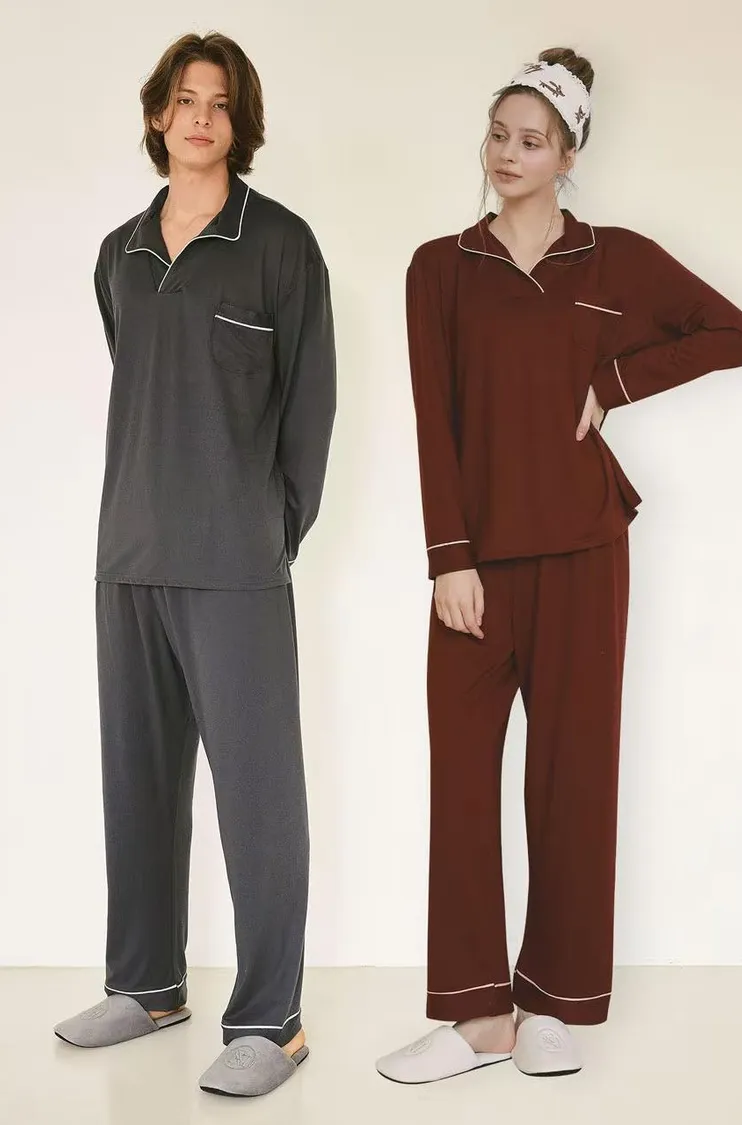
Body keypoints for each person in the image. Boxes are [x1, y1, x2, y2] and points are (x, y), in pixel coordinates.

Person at [376, 46, 742, 1083]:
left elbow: (732, 330)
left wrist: (615, 381)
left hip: (587, 550)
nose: (508, 154)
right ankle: (475, 1017)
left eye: (532, 140)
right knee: (463, 782)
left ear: (569, 154)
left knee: (573, 780)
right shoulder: (439, 268)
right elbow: (436, 421)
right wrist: (449, 559)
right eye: (498, 135)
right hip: (477, 569)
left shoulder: (612, 261)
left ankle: (555, 1003)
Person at [53, 31, 336, 1099]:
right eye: (184, 99)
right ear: (159, 115)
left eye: (219, 102)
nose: (200, 117)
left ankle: (273, 1020)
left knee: (259, 795)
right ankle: (146, 984)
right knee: (137, 780)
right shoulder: (119, 253)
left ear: (239, 122)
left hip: (235, 563)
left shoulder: (282, 246)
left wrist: (269, 532)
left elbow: (310, 409)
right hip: (129, 551)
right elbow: (144, 379)